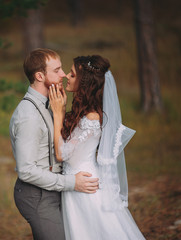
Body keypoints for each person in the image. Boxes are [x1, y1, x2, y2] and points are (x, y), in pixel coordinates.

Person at [49, 55, 145, 239]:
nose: (66, 77)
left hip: (85, 188)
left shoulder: (91, 118)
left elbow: (61, 154)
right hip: (78, 184)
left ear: (85, 83)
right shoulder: (87, 113)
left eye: (72, 74)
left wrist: (57, 114)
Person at [9, 49, 99, 240]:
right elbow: (26, 170)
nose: (64, 74)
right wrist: (71, 182)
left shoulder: (49, 104)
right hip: (38, 195)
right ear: (40, 76)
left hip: (53, 189)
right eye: (57, 70)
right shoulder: (29, 116)